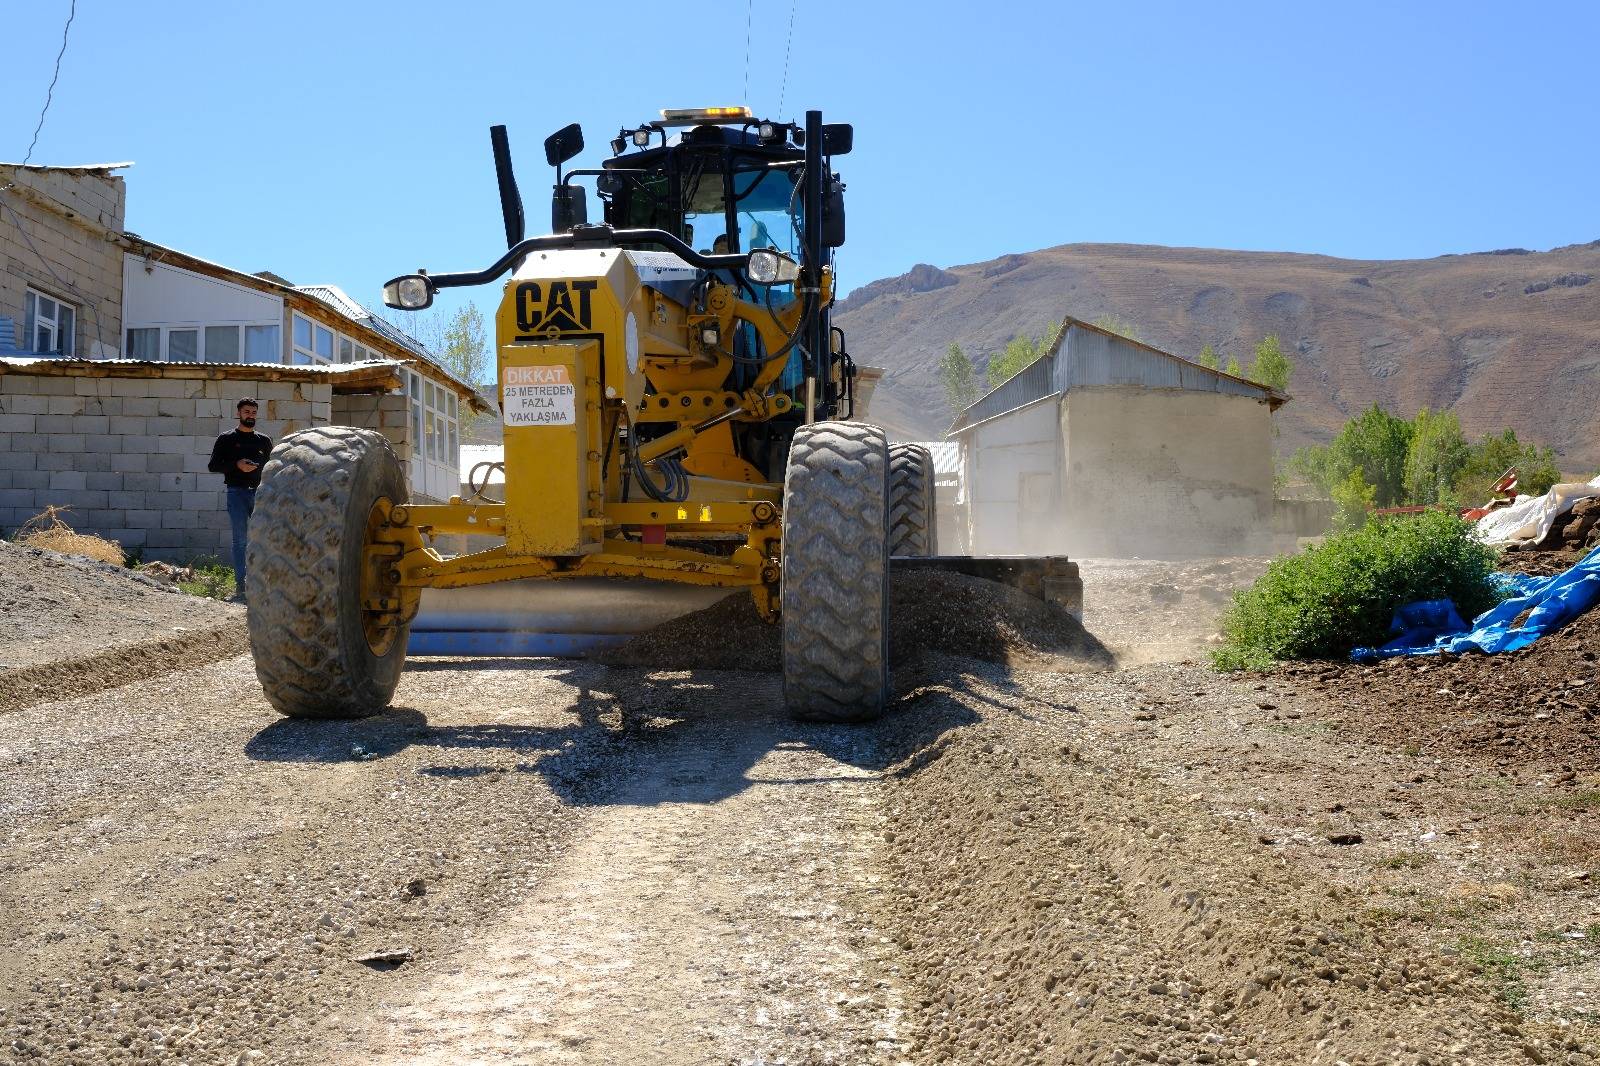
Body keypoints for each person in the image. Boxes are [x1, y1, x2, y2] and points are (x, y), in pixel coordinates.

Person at [207, 398, 272, 601]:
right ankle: (240, 587)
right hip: (237, 493)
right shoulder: (226, 439)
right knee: (240, 540)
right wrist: (237, 465)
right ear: (238, 413)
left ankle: (261, 585)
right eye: (246, 412)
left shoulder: (264, 440)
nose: (250, 415)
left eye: (253, 412)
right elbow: (213, 466)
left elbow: (272, 466)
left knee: (261, 539)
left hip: (261, 493)